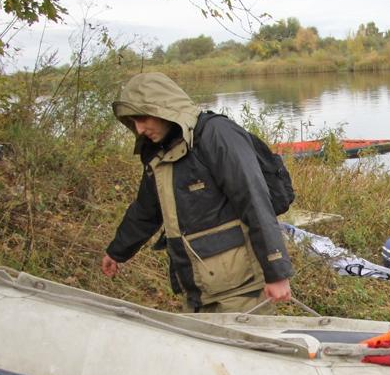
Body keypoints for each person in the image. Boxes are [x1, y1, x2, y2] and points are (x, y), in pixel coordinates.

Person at [101, 72, 293, 314]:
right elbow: (146, 210)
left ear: (163, 108)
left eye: (142, 118)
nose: (139, 129)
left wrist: (276, 273)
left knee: (246, 352)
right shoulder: (158, 152)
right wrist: (117, 251)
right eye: (133, 122)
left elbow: (254, 201)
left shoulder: (217, 134)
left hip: (242, 291)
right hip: (197, 290)